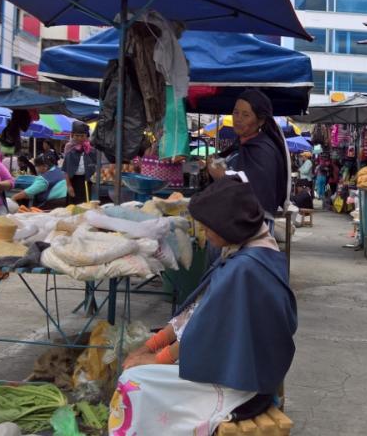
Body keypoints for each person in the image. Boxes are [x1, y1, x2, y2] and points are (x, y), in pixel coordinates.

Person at [113, 176, 297, 435]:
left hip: (241, 384)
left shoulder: (244, 269)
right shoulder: (256, 248)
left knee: (133, 382)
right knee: (142, 371)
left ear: (228, 225)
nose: (205, 234)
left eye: (208, 228)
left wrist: (155, 359)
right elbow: (199, 315)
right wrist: (151, 346)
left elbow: (203, 330)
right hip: (242, 367)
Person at [208, 89, 290, 234]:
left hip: (253, 227)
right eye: (235, 112)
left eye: (246, 115)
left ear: (261, 120)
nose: (238, 118)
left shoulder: (264, 151)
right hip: (234, 223)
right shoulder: (242, 144)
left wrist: (221, 176)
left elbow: (253, 191)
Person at [63, 121, 96, 205]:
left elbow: (95, 166)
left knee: (87, 206)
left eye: (82, 136)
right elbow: (66, 169)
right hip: (73, 182)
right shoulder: (69, 148)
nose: (79, 138)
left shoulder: (91, 149)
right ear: (72, 135)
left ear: (87, 136)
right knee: (73, 207)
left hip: (87, 181)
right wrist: (69, 186)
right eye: (77, 136)